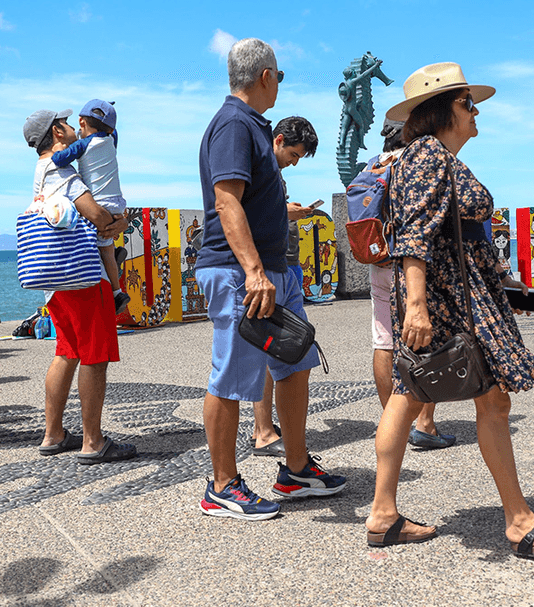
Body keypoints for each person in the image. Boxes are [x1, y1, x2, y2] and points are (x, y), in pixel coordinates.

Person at [366, 62, 534, 561]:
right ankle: (520, 521)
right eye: (468, 102)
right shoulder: (426, 155)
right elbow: (415, 236)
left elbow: (453, 235)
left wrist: (503, 283)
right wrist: (417, 307)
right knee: (492, 401)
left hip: (451, 292)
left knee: (408, 391)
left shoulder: (429, 156)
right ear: (442, 110)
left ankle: (382, 514)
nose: (476, 109)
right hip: (445, 299)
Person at [195, 38, 346, 521]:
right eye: (279, 76)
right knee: (232, 375)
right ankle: (222, 485)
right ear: (264, 76)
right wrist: (254, 272)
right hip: (243, 273)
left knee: (295, 360)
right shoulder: (234, 124)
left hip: (276, 272)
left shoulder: (255, 127)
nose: (279, 84)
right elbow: (226, 200)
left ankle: (296, 470)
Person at [25, 108, 137, 464]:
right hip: (84, 278)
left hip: (56, 283)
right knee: (95, 357)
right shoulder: (63, 171)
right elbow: (97, 216)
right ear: (58, 131)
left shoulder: (40, 172)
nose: (75, 127)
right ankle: (93, 441)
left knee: (67, 351)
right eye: (67, 123)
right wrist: (120, 223)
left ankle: (53, 433)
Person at [367, 118, 459, 450]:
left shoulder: (372, 165)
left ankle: (391, 420)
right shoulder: (417, 161)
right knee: (423, 341)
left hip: (379, 261)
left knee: (384, 341)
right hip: (413, 265)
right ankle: (424, 424)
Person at [251, 115, 319, 457]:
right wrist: (287, 211)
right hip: (267, 267)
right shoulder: (260, 164)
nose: (294, 162)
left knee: (289, 350)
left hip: (283, 264)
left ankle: (275, 434)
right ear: (278, 140)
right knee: (268, 349)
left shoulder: (272, 170)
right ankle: (263, 429)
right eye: (293, 154)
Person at [51, 100, 130, 314]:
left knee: (101, 249)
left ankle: (114, 291)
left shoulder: (82, 144)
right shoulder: (111, 140)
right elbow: (110, 130)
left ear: (81, 122)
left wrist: (60, 147)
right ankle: (117, 287)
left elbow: (58, 160)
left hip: (97, 204)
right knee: (107, 247)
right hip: (116, 204)